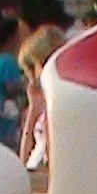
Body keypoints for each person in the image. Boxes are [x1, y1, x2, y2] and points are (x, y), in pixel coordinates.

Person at [16, 22, 68, 176]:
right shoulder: (41, 105)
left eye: (33, 67)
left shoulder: (61, 105)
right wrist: (33, 110)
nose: (30, 76)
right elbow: (23, 161)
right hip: (34, 172)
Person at [0, 8, 26, 149]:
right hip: (4, 115)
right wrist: (25, 83)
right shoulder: (9, 60)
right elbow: (11, 87)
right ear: (11, 38)